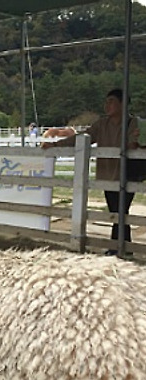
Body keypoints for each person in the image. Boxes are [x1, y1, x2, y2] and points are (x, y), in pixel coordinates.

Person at [42, 88, 140, 255]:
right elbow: (82, 138)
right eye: (106, 101)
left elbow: (135, 144)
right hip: (107, 174)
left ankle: (117, 247)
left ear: (123, 104)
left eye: (111, 102)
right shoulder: (101, 125)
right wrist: (56, 144)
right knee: (116, 211)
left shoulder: (134, 123)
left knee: (121, 210)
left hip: (127, 174)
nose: (107, 105)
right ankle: (123, 247)